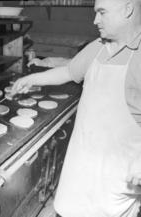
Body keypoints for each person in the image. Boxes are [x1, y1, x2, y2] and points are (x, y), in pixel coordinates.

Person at [11, 0, 141, 216]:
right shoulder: (98, 47)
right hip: (80, 162)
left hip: (118, 175)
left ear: (128, 10)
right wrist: (32, 78)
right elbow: (68, 72)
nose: (95, 20)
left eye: (102, 12)